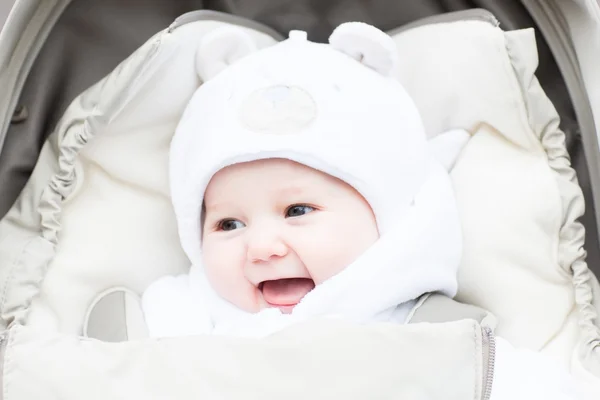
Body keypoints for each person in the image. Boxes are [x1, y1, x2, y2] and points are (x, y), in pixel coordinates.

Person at [142, 22, 581, 399]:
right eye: (228, 223)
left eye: (297, 210)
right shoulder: (178, 321)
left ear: (386, 219)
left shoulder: (432, 335)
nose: (260, 247)